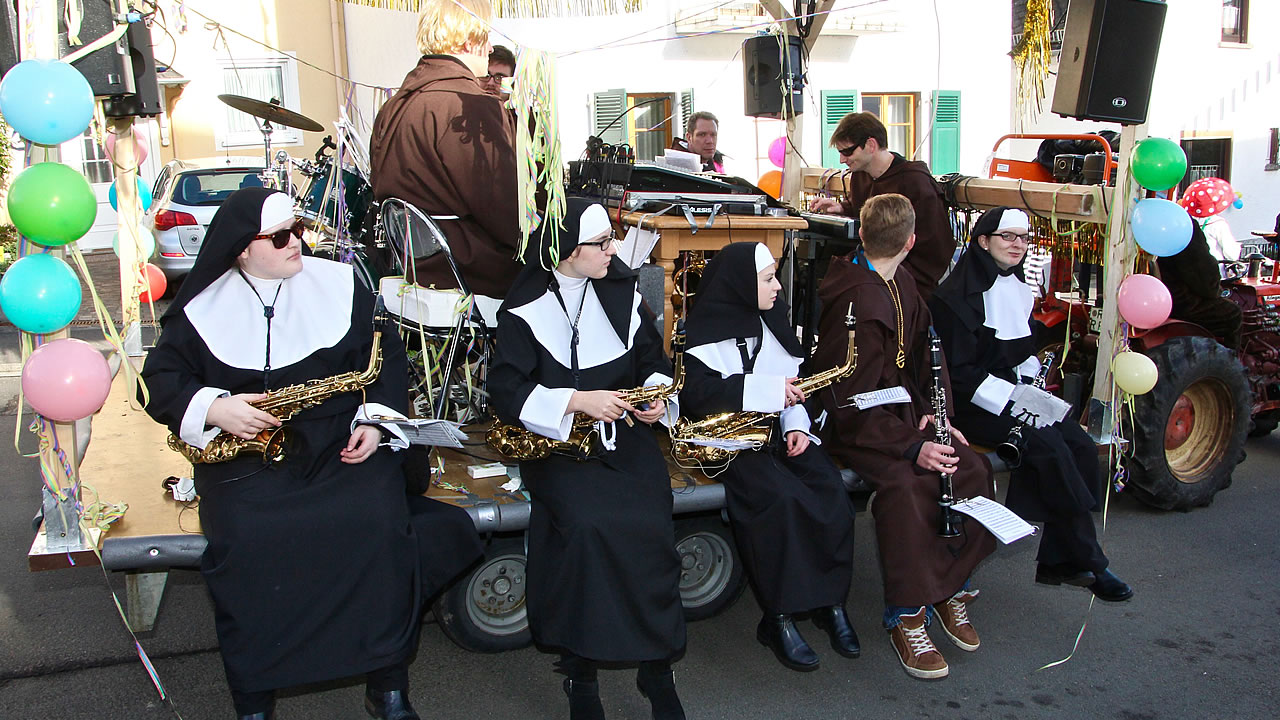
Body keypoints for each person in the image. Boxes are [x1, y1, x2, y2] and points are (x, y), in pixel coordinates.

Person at [139, 188, 482, 720]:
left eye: (298, 229)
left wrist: (377, 420)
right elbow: (158, 381)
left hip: (337, 444)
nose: (297, 242)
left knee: (375, 520)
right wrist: (215, 408)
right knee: (250, 540)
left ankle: (387, 683)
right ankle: (254, 697)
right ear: (240, 250)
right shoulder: (203, 306)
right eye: (279, 237)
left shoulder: (341, 285)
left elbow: (385, 359)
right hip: (246, 456)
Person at [488, 198, 686, 720]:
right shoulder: (523, 305)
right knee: (586, 528)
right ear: (570, 251)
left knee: (649, 523)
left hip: (624, 439)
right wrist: (575, 401)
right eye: (603, 244)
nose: (613, 250)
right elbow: (506, 390)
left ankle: (657, 665)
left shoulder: (621, 292)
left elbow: (652, 361)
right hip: (557, 446)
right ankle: (581, 671)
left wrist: (655, 395)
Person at [810, 193, 996, 681]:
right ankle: (906, 615)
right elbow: (845, 394)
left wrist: (942, 420)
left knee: (971, 467)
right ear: (911, 241)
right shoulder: (855, 299)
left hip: (907, 415)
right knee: (910, 485)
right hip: (858, 428)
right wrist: (912, 446)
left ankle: (952, 588)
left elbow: (926, 359)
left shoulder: (902, 280)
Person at [930, 207, 1133, 603]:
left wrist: (1032, 385)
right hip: (969, 405)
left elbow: (1020, 350)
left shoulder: (1018, 287)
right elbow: (959, 374)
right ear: (984, 241)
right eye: (1007, 236)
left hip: (1010, 392)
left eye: (1022, 238)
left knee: (1078, 443)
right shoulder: (953, 298)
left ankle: (1063, 559)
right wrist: (1014, 398)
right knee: (1049, 448)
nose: (1017, 245)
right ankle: (1089, 562)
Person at [679, 242, 858, 672]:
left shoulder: (772, 318)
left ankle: (830, 602)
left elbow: (793, 381)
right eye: (768, 278)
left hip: (777, 432)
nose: (778, 286)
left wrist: (796, 423)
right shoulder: (702, 328)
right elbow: (698, 397)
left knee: (829, 490)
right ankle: (778, 615)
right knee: (778, 501)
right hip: (729, 442)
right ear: (742, 284)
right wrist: (765, 392)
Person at [370, 0, 520, 298]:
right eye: (486, 37)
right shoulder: (468, 103)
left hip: (415, 263)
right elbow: (503, 210)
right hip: (466, 267)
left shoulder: (393, 104)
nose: (490, 48)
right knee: (569, 263)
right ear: (468, 40)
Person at [809, 111, 954, 301]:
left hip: (907, 285)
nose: (842, 160)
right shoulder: (860, 175)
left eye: (847, 152)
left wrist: (894, 284)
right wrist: (842, 208)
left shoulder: (917, 183)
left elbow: (936, 249)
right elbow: (866, 210)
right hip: (872, 277)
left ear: (870, 145)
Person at [1156, 220, 1243, 350]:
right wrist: (1216, 289)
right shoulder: (1181, 224)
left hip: (1158, 295)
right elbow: (1205, 279)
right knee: (1233, 313)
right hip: (1179, 303)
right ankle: (1233, 363)